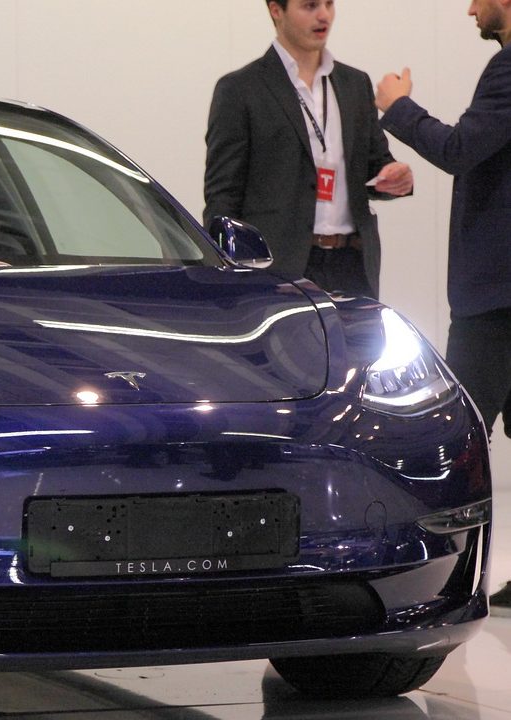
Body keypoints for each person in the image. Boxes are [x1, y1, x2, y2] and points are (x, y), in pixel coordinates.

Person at [375, 0, 511, 614]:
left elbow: (459, 149)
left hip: (496, 295)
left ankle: (444, 585)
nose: (470, 8)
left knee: (459, 436)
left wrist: (398, 106)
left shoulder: (508, 69)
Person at [204, 0, 413, 299]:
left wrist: (395, 177)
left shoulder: (355, 84)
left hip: (352, 263)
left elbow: (376, 163)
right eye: (310, 6)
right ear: (276, 10)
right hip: (277, 267)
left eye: (329, 4)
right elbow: (222, 196)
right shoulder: (241, 89)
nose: (323, 15)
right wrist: (226, 278)